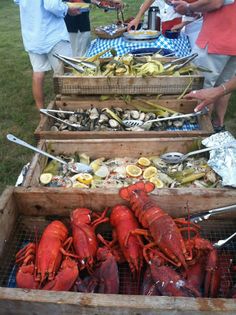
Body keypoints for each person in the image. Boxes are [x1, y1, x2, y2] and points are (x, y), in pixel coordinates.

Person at [172, 0, 236, 132]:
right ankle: (218, 126)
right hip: (232, 38)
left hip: (216, 37)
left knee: (201, 88)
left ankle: (202, 130)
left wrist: (189, 8)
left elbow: (216, 2)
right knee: (224, 86)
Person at [14, 0, 80, 110]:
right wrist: (67, 8)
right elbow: (52, 5)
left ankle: (42, 114)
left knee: (38, 73)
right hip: (53, 34)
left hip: (32, 34)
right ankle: (71, 109)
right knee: (67, 74)